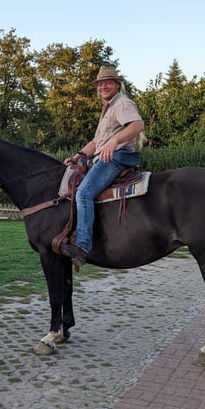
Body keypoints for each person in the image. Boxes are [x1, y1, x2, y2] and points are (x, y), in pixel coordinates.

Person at [60, 66, 145, 265]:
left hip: (115, 157)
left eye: (108, 82)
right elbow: (97, 142)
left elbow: (137, 125)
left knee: (83, 193)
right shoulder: (108, 109)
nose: (103, 86)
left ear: (117, 84)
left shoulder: (122, 103)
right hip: (105, 156)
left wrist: (114, 142)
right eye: (100, 83)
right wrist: (77, 156)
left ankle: (82, 246)